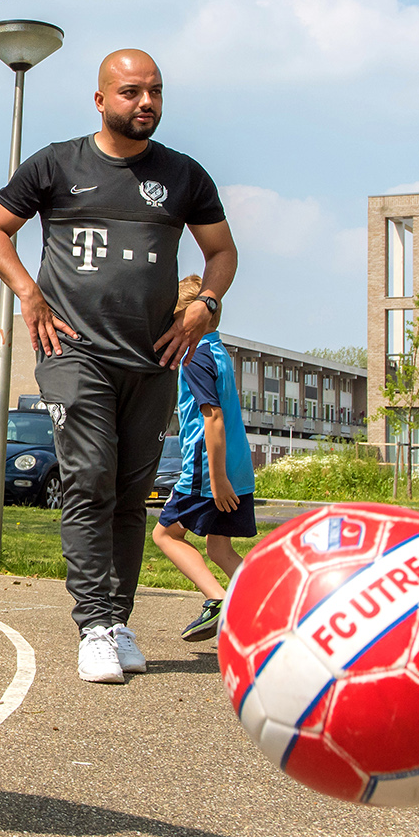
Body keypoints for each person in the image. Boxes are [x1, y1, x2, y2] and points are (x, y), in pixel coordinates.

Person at [0, 50, 238, 685]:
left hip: (154, 357)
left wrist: (205, 304)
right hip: (74, 352)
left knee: (128, 492)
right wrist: (29, 294)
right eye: (129, 92)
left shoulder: (184, 176)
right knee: (90, 477)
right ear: (100, 100)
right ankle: (92, 624)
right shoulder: (56, 164)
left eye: (154, 92)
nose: (144, 103)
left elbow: (222, 251)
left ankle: (117, 622)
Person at [151, 275, 258, 644]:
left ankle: (217, 601)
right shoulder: (218, 351)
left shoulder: (194, 356)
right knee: (219, 546)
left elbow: (212, 419)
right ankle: (268, 606)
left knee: (164, 534)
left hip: (208, 469)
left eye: (174, 320)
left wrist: (217, 480)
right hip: (238, 466)